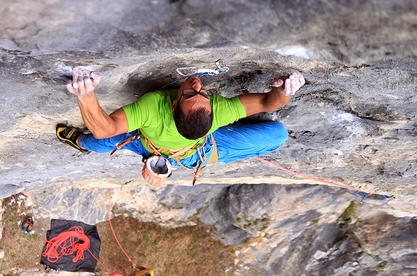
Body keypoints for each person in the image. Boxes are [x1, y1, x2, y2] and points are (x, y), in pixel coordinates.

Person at [57, 66, 305, 187]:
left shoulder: (213, 110)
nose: (197, 84)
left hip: (183, 149)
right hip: (172, 147)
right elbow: (267, 102)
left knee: (279, 134)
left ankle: (83, 143)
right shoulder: (155, 108)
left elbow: (267, 102)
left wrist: (86, 95)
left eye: (198, 94)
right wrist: (283, 93)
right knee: (95, 140)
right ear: (172, 105)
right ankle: (80, 142)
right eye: (193, 94)